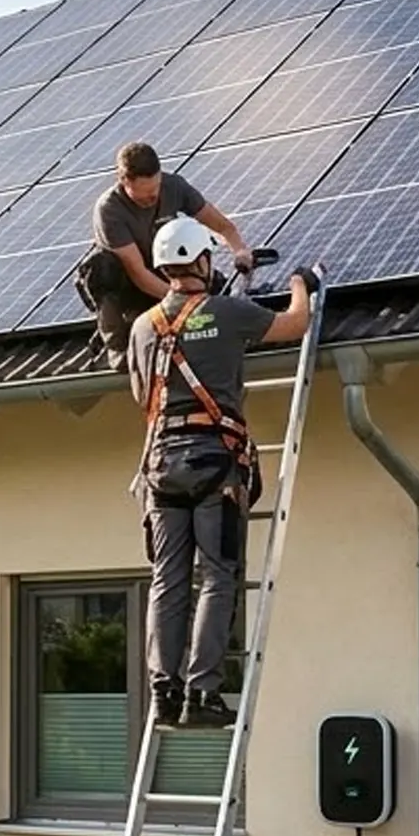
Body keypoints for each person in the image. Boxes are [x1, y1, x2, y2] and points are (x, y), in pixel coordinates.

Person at [127, 216, 315, 730]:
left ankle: (164, 692)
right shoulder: (227, 312)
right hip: (214, 462)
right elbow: (294, 325)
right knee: (217, 575)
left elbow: (142, 395)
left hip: (160, 467)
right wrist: (300, 283)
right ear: (203, 260)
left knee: (168, 580)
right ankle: (202, 693)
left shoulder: (142, 327)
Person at [76, 141, 257, 367]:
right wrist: (184, 301)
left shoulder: (174, 187)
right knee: (100, 267)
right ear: (123, 181)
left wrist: (240, 250)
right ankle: (118, 347)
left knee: (212, 281)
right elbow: (138, 273)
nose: (153, 197)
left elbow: (223, 227)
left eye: (156, 188)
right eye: (144, 194)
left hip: (166, 275)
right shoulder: (109, 210)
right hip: (131, 290)